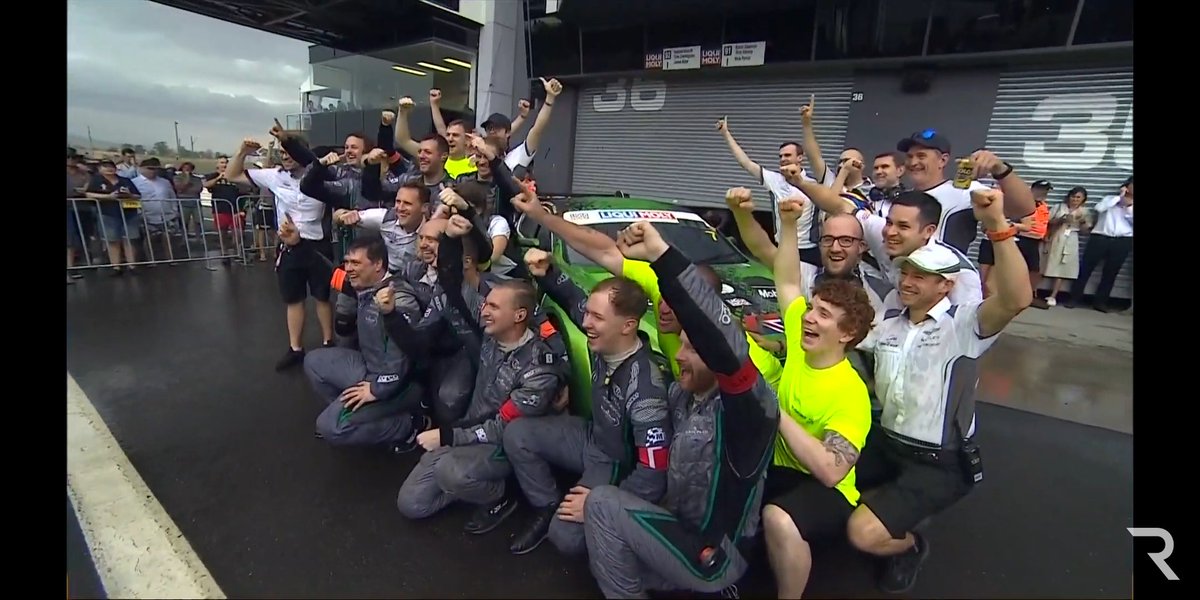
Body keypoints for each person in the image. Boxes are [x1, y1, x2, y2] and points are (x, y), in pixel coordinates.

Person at [847, 188, 1032, 594]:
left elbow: (1017, 298)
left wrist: (998, 225)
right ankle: (889, 505)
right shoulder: (890, 323)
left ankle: (910, 546)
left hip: (938, 461)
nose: (907, 282)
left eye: (920, 277)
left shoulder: (965, 325)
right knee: (828, 478)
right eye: (905, 274)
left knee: (862, 533)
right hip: (887, 443)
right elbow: (842, 339)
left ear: (945, 285)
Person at [582, 221, 780, 599]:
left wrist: (663, 257)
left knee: (602, 505)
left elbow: (723, 343)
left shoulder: (750, 410)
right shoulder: (681, 394)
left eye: (692, 348)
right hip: (674, 527)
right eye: (681, 345)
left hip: (715, 552)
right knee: (589, 539)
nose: (680, 356)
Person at [395, 214, 568, 535]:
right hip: (470, 432)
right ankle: (465, 478)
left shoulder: (538, 370)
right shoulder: (491, 333)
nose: (484, 311)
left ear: (519, 315)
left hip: (500, 444)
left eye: (493, 307)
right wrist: (449, 238)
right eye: (485, 305)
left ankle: (501, 497)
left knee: (451, 471)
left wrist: (448, 438)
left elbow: (502, 428)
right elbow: (451, 282)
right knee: (412, 504)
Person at [507, 191, 780, 389]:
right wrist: (541, 215)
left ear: (705, 307)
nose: (662, 306)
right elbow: (605, 250)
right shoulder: (666, 286)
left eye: (676, 303)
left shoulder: (747, 365)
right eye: (664, 296)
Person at [505, 247, 671, 556]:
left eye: (597, 317)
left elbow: (653, 475)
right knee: (517, 433)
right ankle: (547, 505)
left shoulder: (648, 390)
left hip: (617, 465)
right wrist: (548, 271)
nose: (586, 323)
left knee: (565, 537)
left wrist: (597, 503)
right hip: (591, 437)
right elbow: (573, 299)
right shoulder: (606, 336)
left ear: (628, 325)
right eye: (588, 314)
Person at [759, 196, 875, 599]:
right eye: (813, 308)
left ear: (847, 334)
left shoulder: (850, 393)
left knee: (778, 518)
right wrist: (790, 224)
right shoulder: (799, 335)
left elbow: (831, 471)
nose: (809, 317)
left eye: (823, 315)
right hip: (779, 469)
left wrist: (776, 413)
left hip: (826, 489)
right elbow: (788, 281)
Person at [303, 236, 429, 450]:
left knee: (329, 427)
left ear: (377, 264)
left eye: (355, 263)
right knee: (314, 361)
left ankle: (409, 425)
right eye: (347, 262)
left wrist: (377, 390)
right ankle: (358, 416)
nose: (348, 269)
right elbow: (329, 272)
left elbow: (401, 359)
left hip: (401, 384)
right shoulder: (364, 285)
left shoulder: (398, 299)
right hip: (370, 368)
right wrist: (298, 243)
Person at [225, 135, 337, 370]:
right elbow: (231, 175)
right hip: (289, 246)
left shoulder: (321, 175)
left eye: (290, 152)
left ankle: (329, 343)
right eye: (282, 153)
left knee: (322, 297)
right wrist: (242, 151)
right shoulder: (274, 176)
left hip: (318, 244)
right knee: (293, 299)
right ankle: (295, 349)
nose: (285, 157)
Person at [1065, 176, 1133, 312]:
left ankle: (1100, 302)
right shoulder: (1110, 199)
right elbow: (1099, 208)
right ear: (1126, 186)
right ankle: (1074, 298)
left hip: (1122, 241)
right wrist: (1119, 198)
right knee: (1086, 269)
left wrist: (1128, 207)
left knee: (1111, 272)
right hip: (1100, 238)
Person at [1041, 186, 1090, 307]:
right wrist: (1062, 219)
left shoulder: (1084, 212)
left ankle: (1053, 295)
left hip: (1071, 239)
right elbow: (1047, 221)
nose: (1075, 199)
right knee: (1045, 263)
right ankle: (1034, 291)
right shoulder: (1059, 207)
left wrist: (1082, 222)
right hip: (1056, 236)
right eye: (1073, 196)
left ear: (1083, 199)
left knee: (1062, 268)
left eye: (1078, 197)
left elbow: (1085, 231)